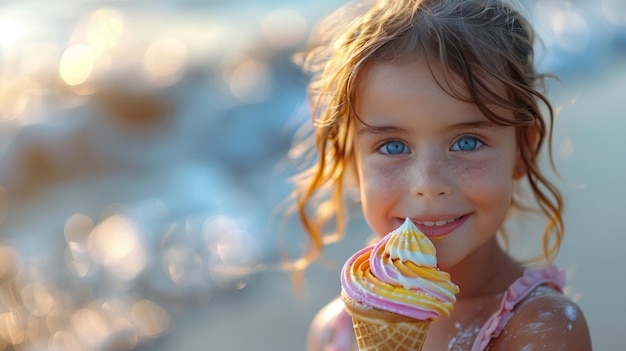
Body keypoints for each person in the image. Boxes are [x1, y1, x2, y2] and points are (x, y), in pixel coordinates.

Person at [289, 0, 592, 350]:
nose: (428, 184)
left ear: (523, 150)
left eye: (467, 142)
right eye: (392, 147)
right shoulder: (336, 332)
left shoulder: (539, 330)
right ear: (352, 163)